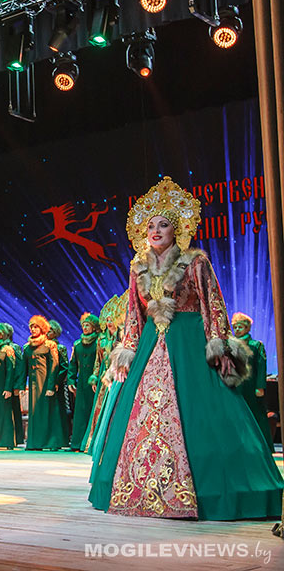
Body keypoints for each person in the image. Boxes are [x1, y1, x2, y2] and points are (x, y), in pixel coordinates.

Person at [89, 176, 283, 520]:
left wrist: (221, 348)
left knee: (204, 414)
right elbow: (133, 316)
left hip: (190, 343)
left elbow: (213, 305)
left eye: (163, 224)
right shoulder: (137, 268)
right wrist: (126, 351)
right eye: (151, 225)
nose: (156, 230)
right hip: (150, 345)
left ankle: (210, 492)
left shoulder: (196, 262)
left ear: (176, 229)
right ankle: (139, 489)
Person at [21, 316, 67, 450]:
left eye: (36, 327)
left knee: (48, 412)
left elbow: (54, 366)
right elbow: (23, 368)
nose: (33, 329)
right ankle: (35, 443)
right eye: (32, 327)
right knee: (35, 412)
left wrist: (51, 386)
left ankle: (52, 443)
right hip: (34, 384)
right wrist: (21, 385)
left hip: (46, 383)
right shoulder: (27, 347)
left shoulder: (49, 345)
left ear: (42, 329)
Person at [82, 295, 120, 454]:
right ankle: (95, 441)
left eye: (112, 319)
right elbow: (98, 361)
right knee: (99, 409)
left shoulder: (122, 336)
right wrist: (94, 377)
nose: (110, 322)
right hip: (104, 377)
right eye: (108, 319)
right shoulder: (101, 339)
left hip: (117, 375)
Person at [231, 312, 273, 451]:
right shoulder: (229, 344)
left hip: (250, 386)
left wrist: (260, 386)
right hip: (235, 386)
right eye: (235, 327)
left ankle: (260, 446)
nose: (237, 330)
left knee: (255, 415)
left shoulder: (256, 345)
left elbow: (261, 367)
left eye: (240, 327)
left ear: (247, 328)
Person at [67, 312, 100, 451]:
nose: (85, 328)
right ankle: (77, 443)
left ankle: (90, 443)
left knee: (92, 411)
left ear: (94, 327)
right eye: (83, 325)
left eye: (88, 325)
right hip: (81, 384)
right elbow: (73, 364)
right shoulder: (78, 344)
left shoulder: (99, 342)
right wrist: (71, 380)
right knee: (80, 412)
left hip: (94, 383)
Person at [47, 319, 72, 445]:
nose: (48, 332)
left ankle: (62, 438)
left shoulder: (60, 348)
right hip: (45, 383)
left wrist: (57, 382)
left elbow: (64, 367)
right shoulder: (42, 348)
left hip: (58, 384)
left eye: (51, 330)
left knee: (59, 410)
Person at [3, 323, 25, 445]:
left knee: (14, 410)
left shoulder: (14, 347)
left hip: (12, 385)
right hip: (0, 384)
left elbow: (20, 367)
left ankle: (16, 438)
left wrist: (18, 386)